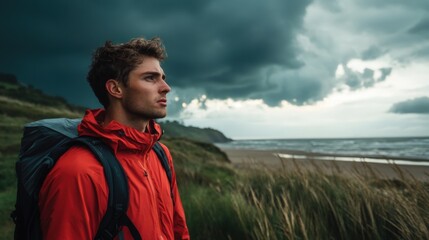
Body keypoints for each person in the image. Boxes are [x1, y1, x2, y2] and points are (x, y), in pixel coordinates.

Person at [38, 37, 190, 239]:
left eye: (163, 77)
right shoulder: (78, 171)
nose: (166, 87)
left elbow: (179, 230)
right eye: (150, 78)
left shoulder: (160, 154)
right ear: (115, 89)